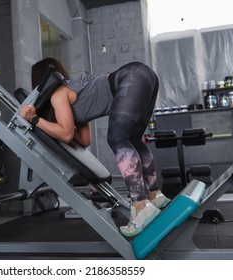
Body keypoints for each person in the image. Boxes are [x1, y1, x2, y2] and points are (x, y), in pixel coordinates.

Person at [20, 58, 170, 237]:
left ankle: (140, 205)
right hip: (143, 75)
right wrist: (62, 124)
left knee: (117, 137)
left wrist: (35, 119)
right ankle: (155, 195)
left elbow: (66, 134)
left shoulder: (58, 95)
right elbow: (84, 140)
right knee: (134, 139)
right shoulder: (72, 90)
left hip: (131, 78)